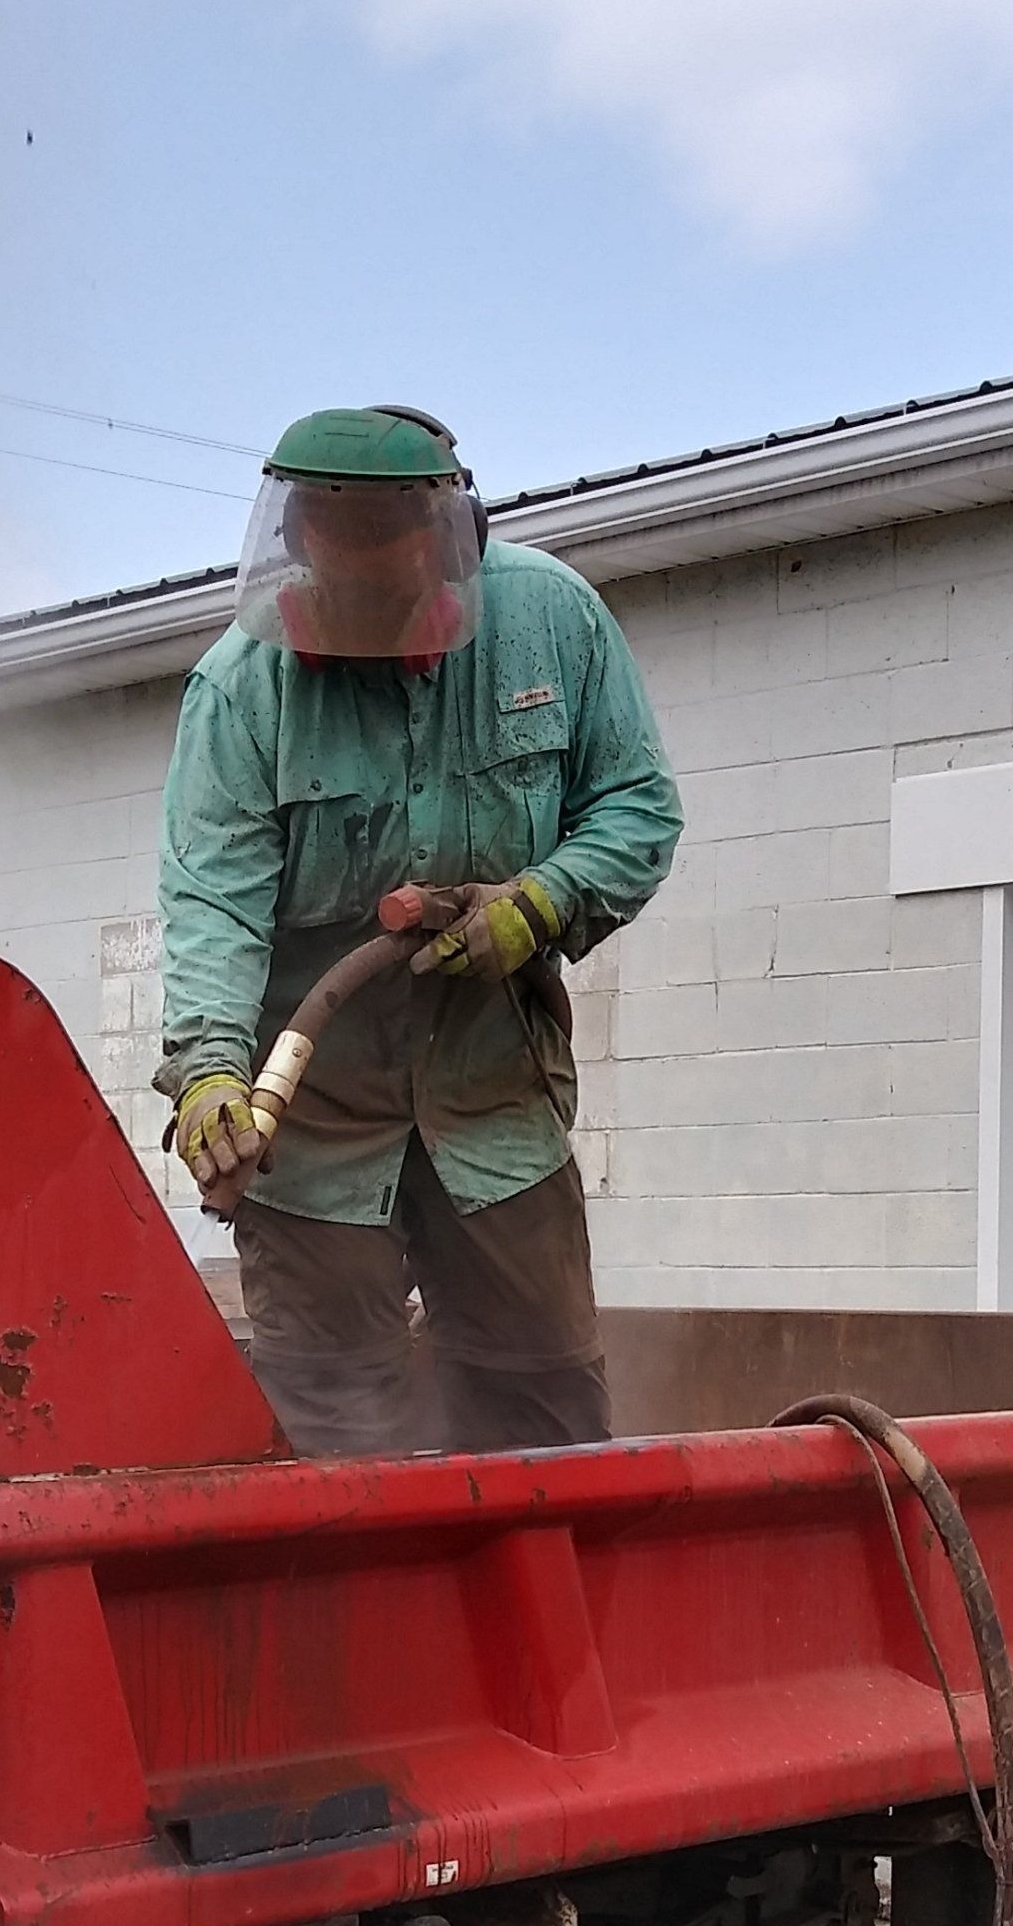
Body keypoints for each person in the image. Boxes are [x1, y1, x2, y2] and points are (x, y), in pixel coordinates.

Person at [157, 404, 683, 1456]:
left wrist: (540, 903)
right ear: (298, 547)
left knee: (543, 1413)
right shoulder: (238, 689)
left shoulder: (554, 621)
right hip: (313, 1130)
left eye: (395, 595)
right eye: (345, 596)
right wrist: (214, 1072)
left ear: (454, 547)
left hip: (495, 1100)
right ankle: (358, 1619)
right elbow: (213, 901)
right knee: (328, 1430)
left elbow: (638, 807)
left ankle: (547, 1615)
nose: (375, 636)